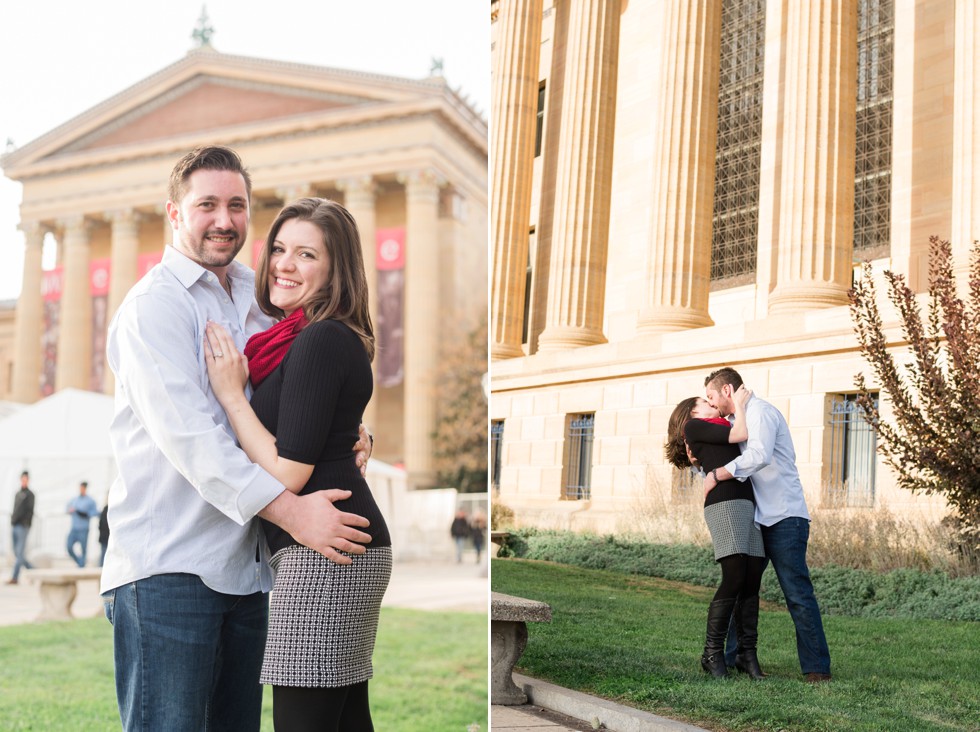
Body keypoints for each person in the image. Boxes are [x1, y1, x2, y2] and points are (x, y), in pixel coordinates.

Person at [102, 145, 374, 732]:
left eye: (236, 205)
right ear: (174, 212)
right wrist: (296, 515)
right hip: (170, 568)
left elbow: (299, 392)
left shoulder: (262, 295)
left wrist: (344, 431)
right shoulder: (153, 309)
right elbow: (194, 441)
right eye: (207, 205)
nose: (223, 220)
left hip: (249, 570)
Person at [205, 196, 391, 731]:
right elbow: (321, 426)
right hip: (337, 547)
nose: (285, 264)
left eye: (306, 254)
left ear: (336, 270)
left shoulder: (319, 338)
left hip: (324, 556)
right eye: (279, 248)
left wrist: (232, 396)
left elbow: (289, 472)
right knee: (347, 721)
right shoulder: (304, 338)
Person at [702, 367, 832, 683]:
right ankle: (733, 656)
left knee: (797, 593)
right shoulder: (738, 421)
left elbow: (759, 455)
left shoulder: (761, 413)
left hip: (785, 517)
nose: (711, 404)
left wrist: (718, 474)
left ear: (727, 391)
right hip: (758, 519)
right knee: (741, 588)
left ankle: (817, 668)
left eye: (711, 396)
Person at [665, 386, 767, 679]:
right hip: (724, 504)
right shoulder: (694, 426)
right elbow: (740, 436)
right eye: (704, 401)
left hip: (747, 503)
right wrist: (740, 404)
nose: (711, 403)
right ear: (693, 412)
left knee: (750, 580)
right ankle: (712, 654)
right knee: (734, 576)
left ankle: (747, 655)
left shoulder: (714, 427)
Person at [7, 471, 35, 584]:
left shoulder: (30, 495)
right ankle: (34, 571)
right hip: (15, 525)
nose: (24, 481)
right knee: (18, 553)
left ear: (28, 480)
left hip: (23, 527)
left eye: (26, 479)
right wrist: (13, 521)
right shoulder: (17, 494)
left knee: (19, 553)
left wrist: (26, 524)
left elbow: (30, 511)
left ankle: (15, 577)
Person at [66, 481, 98, 567]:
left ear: (85, 488)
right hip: (74, 528)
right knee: (69, 547)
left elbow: (95, 512)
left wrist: (85, 514)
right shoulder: (74, 500)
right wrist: (70, 510)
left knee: (83, 549)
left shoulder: (90, 501)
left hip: (83, 529)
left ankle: (82, 565)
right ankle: (79, 562)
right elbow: (67, 509)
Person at [98, 502, 110, 568]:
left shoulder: (107, 509)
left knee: (104, 555)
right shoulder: (106, 509)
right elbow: (101, 524)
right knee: (103, 554)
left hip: (107, 537)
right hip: (105, 537)